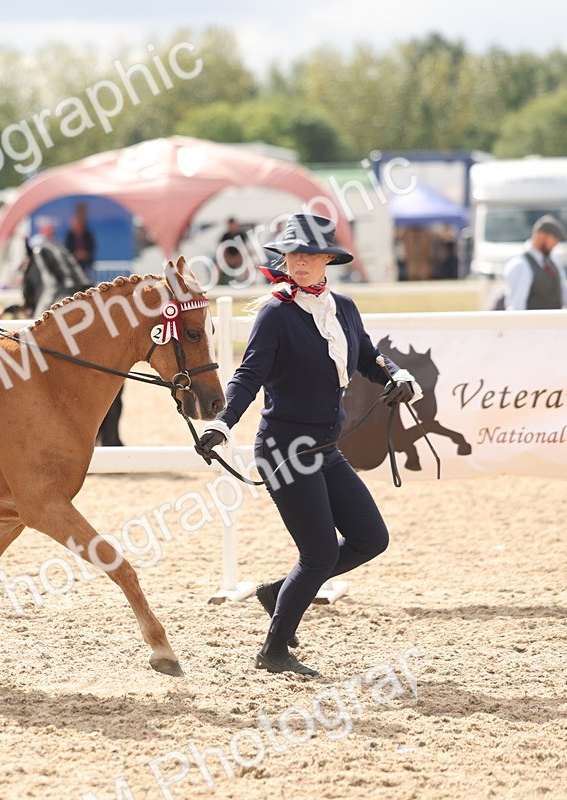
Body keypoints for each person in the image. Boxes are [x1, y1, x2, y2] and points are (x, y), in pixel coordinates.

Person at [197, 213, 421, 677]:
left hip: (325, 448)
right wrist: (222, 424)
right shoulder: (276, 313)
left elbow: (366, 355)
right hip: (283, 449)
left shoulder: (343, 308)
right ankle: (274, 651)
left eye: (307, 256)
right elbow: (248, 377)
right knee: (318, 553)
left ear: (326, 260)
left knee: (370, 538)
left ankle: (276, 592)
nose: (297, 263)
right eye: (291, 255)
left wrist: (397, 375)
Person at [502, 215, 567, 310]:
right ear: (541, 235)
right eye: (554, 239)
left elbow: (566, 294)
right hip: (533, 324)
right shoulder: (521, 265)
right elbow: (516, 306)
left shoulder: (553, 261)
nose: (556, 244)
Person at [64, 203, 96, 278]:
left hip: (86, 261)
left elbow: (92, 246)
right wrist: (75, 254)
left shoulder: (87, 234)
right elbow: (67, 247)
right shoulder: (69, 236)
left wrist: (85, 254)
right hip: (73, 261)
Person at [216, 216, 250, 285]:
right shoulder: (225, 236)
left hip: (240, 257)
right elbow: (223, 250)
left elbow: (244, 249)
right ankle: (216, 282)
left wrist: (237, 258)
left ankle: (248, 282)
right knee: (218, 266)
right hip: (228, 258)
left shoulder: (242, 235)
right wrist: (228, 259)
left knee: (248, 265)